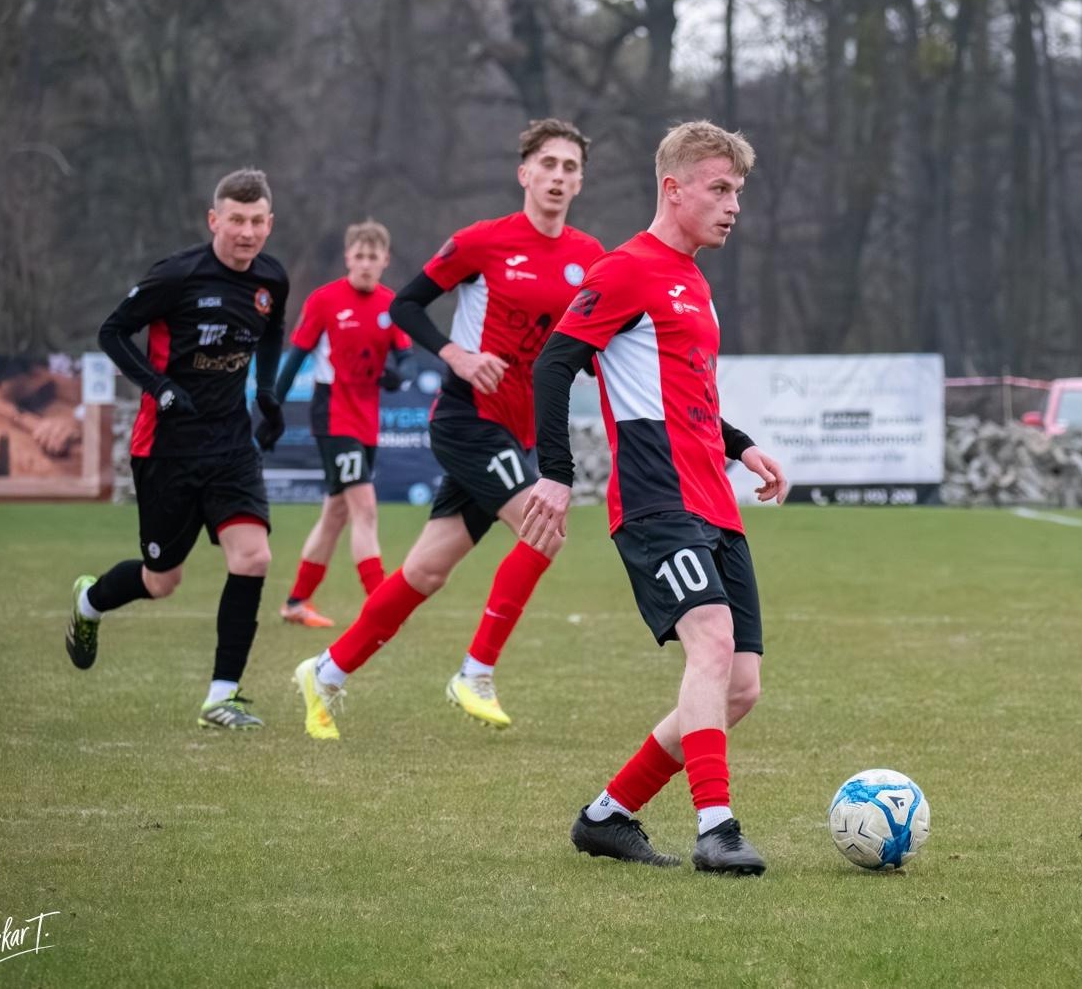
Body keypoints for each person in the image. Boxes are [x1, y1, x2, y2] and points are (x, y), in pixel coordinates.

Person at [522, 120, 789, 875]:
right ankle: (718, 827)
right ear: (672, 188)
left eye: (738, 191)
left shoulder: (693, 280)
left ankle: (607, 816)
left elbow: (688, 395)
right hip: (656, 499)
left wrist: (743, 447)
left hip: (714, 502)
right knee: (708, 642)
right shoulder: (626, 269)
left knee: (741, 685)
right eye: (720, 189)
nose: (733, 205)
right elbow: (553, 366)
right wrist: (552, 470)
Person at [293, 119, 604, 738]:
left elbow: (589, 344)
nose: (559, 176)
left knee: (425, 573)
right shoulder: (481, 243)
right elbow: (403, 304)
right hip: (467, 420)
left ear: (579, 182)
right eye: (548, 164)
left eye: (570, 167)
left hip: (517, 433)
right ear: (525, 173)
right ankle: (476, 671)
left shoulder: (590, 258)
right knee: (546, 529)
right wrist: (455, 355)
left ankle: (324, 672)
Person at [66, 168, 288, 728]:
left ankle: (221, 695)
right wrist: (160, 387)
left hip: (231, 444)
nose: (246, 232)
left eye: (257, 221)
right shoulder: (177, 275)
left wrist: (266, 391)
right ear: (214, 220)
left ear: (269, 223)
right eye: (236, 220)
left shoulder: (271, 280)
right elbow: (112, 332)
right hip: (165, 446)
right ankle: (90, 603)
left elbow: (274, 329)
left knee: (254, 556)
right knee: (162, 580)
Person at [270, 220, 413, 628]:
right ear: (348, 257)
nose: (366, 263)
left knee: (335, 513)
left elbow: (404, 356)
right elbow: (295, 356)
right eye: (360, 256)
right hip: (333, 417)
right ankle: (382, 605)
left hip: (366, 420)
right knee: (365, 509)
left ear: (385, 261)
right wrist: (272, 407)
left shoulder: (391, 305)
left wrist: (398, 374)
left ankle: (296, 602)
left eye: (374, 257)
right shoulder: (324, 300)